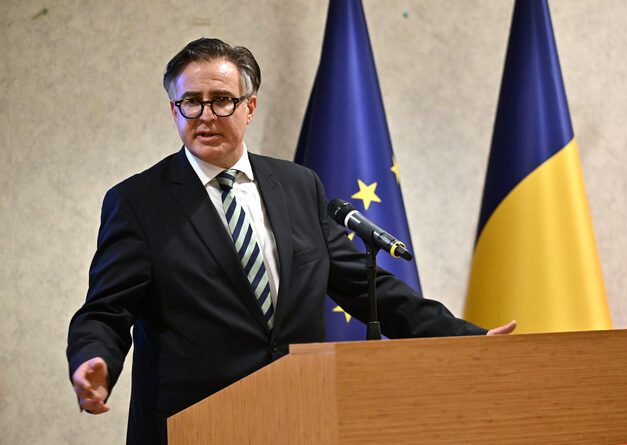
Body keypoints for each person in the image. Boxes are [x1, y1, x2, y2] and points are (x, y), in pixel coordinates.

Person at [67, 37, 516, 445]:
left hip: (298, 414)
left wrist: (464, 339)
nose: (205, 115)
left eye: (221, 100)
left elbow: (366, 287)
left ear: (249, 107)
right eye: (191, 102)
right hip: (194, 423)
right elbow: (106, 309)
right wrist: (93, 359)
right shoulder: (138, 201)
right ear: (174, 110)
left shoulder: (299, 185)